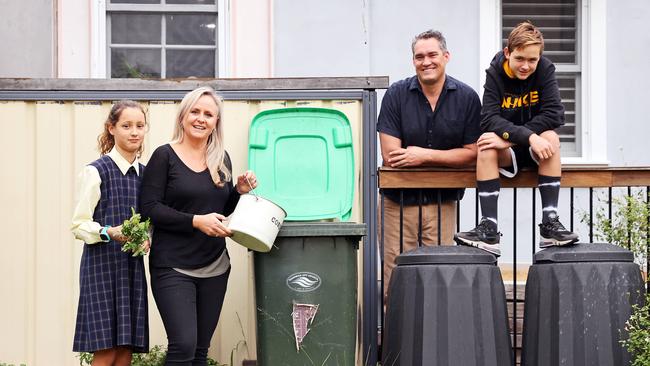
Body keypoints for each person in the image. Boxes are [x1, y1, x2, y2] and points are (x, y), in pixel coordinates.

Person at [139, 86, 256, 365]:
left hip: (215, 265)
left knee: (201, 351)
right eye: (195, 111)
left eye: (209, 114)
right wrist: (195, 221)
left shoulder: (221, 159)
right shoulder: (164, 156)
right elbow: (150, 208)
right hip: (173, 266)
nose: (201, 118)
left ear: (216, 123)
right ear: (183, 116)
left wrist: (238, 192)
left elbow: (222, 212)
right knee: (183, 346)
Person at [454, 21, 579, 256]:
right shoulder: (495, 73)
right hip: (509, 151)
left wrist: (519, 138)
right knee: (486, 144)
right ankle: (489, 228)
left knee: (551, 137)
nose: (526, 66)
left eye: (532, 60)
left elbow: (555, 114)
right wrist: (527, 136)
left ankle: (550, 224)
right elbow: (488, 119)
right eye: (520, 58)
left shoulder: (545, 70)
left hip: (536, 150)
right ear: (507, 53)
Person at [377, 30, 482, 296]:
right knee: (395, 279)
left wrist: (423, 155)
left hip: (442, 203)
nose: (426, 62)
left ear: (446, 57)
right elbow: (392, 155)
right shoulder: (396, 95)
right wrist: (450, 157)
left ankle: (435, 337)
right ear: (413, 61)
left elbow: (472, 154)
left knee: (437, 277)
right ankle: (397, 338)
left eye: (432, 55)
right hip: (396, 204)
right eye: (419, 56)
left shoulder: (467, 98)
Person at [71, 100, 150, 365]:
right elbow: (79, 224)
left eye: (139, 125)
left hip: (131, 266)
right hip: (101, 266)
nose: (134, 132)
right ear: (111, 128)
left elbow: (151, 220)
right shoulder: (96, 171)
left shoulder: (146, 174)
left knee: (126, 347)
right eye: (126, 125)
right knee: (105, 349)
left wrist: (147, 238)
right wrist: (108, 232)